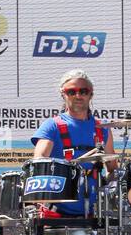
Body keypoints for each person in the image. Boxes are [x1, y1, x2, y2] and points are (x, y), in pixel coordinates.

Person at [31, 71, 116, 216]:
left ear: (90, 94)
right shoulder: (52, 126)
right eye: (71, 91)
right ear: (63, 94)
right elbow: (39, 164)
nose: (78, 96)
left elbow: (113, 169)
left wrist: (114, 190)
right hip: (58, 213)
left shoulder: (103, 129)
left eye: (83, 91)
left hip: (95, 214)